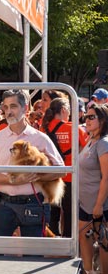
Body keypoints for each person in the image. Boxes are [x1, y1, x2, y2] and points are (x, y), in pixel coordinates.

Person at [0, 89, 65, 237]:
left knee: (33, 256)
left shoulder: (40, 138)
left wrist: (37, 176)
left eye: (13, 106)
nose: (8, 112)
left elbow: (62, 170)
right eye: (6, 107)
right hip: (4, 204)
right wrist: (14, 180)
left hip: (33, 204)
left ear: (25, 108)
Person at [42, 98, 87, 237]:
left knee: (52, 213)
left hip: (51, 177)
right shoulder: (75, 128)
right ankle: (68, 241)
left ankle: (52, 241)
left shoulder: (44, 128)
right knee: (69, 213)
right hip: (70, 176)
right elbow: (87, 151)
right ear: (63, 110)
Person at [79, 103, 108, 274]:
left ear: (103, 120)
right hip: (85, 203)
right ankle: (89, 271)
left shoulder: (103, 144)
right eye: (86, 117)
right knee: (84, 237)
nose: (87, 120)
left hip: (100, 206)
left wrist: (98, 205)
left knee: (104, 243)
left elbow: (106, 177)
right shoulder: (91, 140)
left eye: (91, 117)